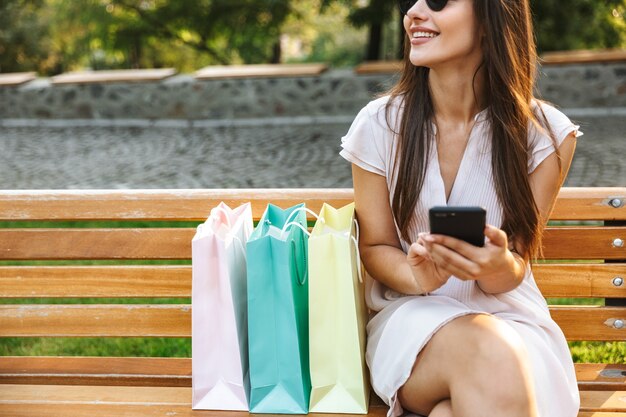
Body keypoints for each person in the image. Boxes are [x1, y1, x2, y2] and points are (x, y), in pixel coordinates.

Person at [339, 0, 581, 416]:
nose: (413, 12)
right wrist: (416, 275)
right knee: (490, 353)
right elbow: (375, 245)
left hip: (514, 320)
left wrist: (495, 265)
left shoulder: (547, 135)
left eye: (436, 0)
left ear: (490, 19)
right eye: (407, 2)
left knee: (452, 408)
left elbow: (517, 262)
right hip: (413, 320)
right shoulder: (378, 125)